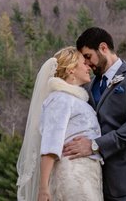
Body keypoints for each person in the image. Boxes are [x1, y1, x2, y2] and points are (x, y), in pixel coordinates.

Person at [63, 27, 126, 201]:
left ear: (103, 48)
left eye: (87, 56)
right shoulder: (87, 86)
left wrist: (94, 145)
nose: (86, 64)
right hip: (92, 182)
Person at [17, 46, 104, 201]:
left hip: (88, 175)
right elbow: (50, 143)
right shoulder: (60, 99)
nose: (88, 67)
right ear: (71, 70)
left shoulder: (75, 100)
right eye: (84, 63)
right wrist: (43, 188)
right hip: (72, 175)